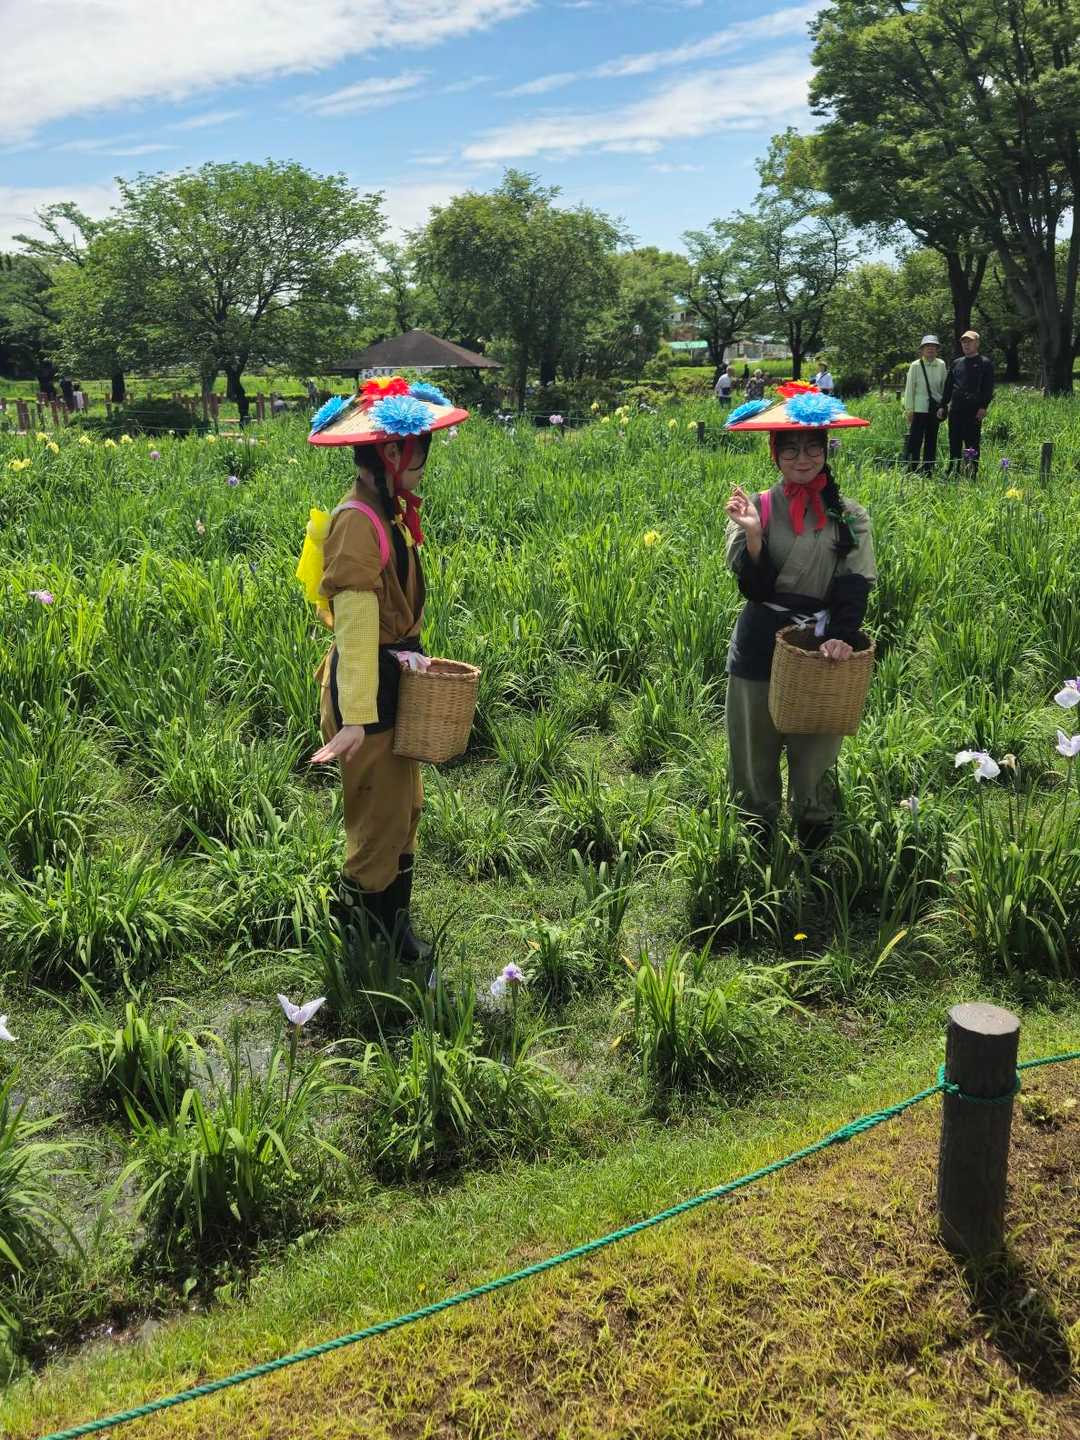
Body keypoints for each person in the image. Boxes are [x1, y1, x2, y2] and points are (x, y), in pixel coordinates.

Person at [301, 376, 469, 963]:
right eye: (420, 448)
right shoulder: (357, 522)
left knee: (403, 811)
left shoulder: (384, 510)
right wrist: (354, 719)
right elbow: (353, 629)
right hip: (365, 693)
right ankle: (361, 947)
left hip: (389, 683)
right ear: (393, 452)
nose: (424, 461)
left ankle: (393, 932)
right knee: (377, 822)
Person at [722, 385, 876, 850]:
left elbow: (854, 583)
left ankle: (815, 841)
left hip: (820, 644)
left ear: (826, 451)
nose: (802, 458)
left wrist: (843, 636)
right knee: (754, 745)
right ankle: (756, 837)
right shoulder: (756, 507)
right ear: (776, 454)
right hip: (759, 642)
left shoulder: (849, 515)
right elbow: (754, 589)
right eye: (790, 449)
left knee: (817, 748)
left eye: (812, 447)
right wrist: (753, 536)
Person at [941, 330, 993, 473]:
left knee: (972, 443)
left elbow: (988, 388)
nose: (966, 344)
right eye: (964, 342)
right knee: (954, 441)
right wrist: (943, 405)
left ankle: (971, 472)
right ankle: (953, 471)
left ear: (977, 343)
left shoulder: (985, 363)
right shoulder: (956, 363)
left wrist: (983, 406)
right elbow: (948, 386)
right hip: (956, 410)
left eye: (969, 341)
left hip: (974, 411)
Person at [902, 335, 947, 472]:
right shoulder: (915, 365)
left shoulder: (941, 364)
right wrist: (909, 409)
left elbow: (944, 387)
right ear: (922, 349)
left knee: (931, 440)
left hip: (935, 408)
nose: (930, 349)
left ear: (937, 349)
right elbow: (909, 388)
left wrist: (944, 406)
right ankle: (911, 469)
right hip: (918, 409)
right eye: (927, 346)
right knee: (915, 440)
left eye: (933, 346)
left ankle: (928, 470)